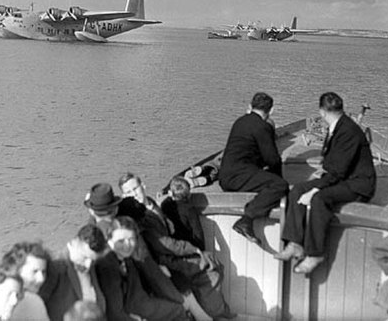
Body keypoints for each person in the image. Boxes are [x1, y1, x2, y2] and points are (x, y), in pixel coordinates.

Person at [276, 92, 376, 274]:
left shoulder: (348, 131)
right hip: (341, 176)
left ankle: (315, 253)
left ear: (322, 112)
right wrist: (316, 181)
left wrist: (314, 189)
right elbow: (332, 164)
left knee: (319, 199)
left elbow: (339, 171)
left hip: (358, 184)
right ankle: (295, 242)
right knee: (297, 190)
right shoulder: (338, 126)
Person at [119, 173, 234, 320]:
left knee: (212, 264)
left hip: (171, 254)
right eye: (128, 192)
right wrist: (195, 250)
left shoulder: (154, 204)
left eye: (135, 188)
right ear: (123, 196)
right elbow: (164, 244)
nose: (134, 194)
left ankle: (215, 312)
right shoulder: (138, 216)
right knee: (210, 267)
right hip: (163, 261)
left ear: (143, 186)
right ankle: (216, 314)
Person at [219, 92, 288, 245]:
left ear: (250, 107)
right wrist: (278, 180)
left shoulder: (240, 121)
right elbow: (273, 159)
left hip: (225, 175)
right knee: (279, 186)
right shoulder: (262, 127)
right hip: (237, 176)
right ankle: (247, 219)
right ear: (272, 110)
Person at [95, 216, 188, 321]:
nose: (127, 246)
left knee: (176, 308)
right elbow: (114, 313)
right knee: (178, 311)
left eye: (131, 239)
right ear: (109, 239)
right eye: (121, 241)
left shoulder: (124, 257)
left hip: (136, 303)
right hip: (125, 311)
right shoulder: (108, 267)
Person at [39, 225, 107, 321]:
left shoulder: (91, 266)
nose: (88, 265)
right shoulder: (56, 266)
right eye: (85, 257)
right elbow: (39, 304)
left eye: (93, 260)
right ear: (74, 243)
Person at [0, 241, 51, 321]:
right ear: (18, 270)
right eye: (35, 271)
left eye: (43, 272)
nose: (41, 279)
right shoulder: (33, 301)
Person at [161, 176, 206, 250]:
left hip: (172, 244)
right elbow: (197, 231)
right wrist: (201, 249)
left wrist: (169, 196)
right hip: (187, 244)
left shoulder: (165, 205)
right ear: (188, 194)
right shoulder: (189, 209)